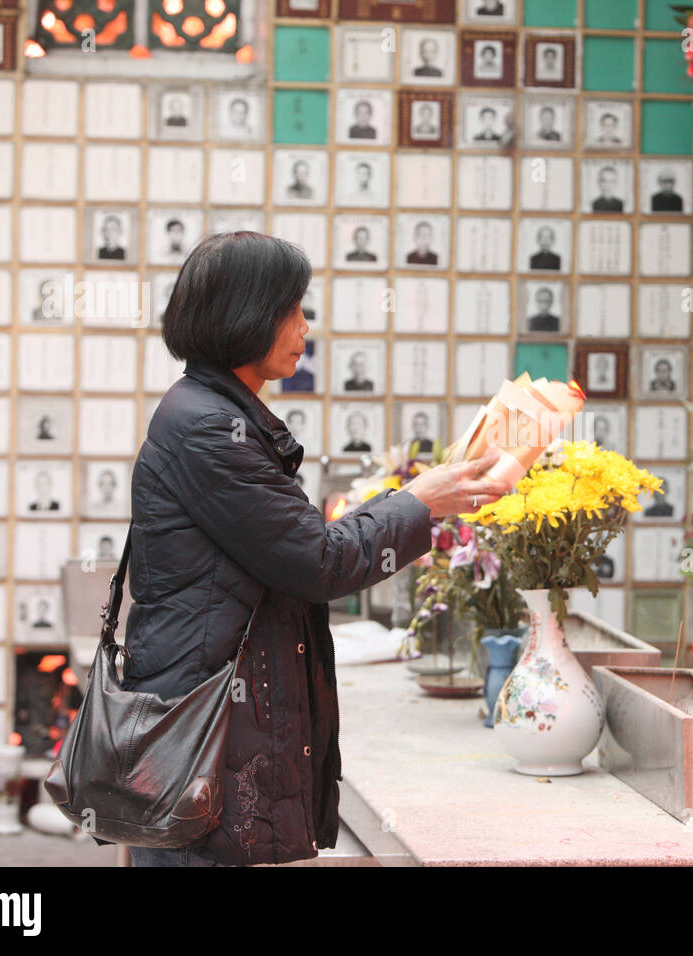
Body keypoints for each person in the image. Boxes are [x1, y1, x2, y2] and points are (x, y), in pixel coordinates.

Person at [120, 231, 509, 867]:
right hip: (204, 750)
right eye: (294, 310)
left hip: (214, 739)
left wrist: (422, 503)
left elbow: (300, 547)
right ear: (246, 317)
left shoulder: (213, 412)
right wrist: (421, 500)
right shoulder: (209, 428)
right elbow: (320, 562)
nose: (305, 327)